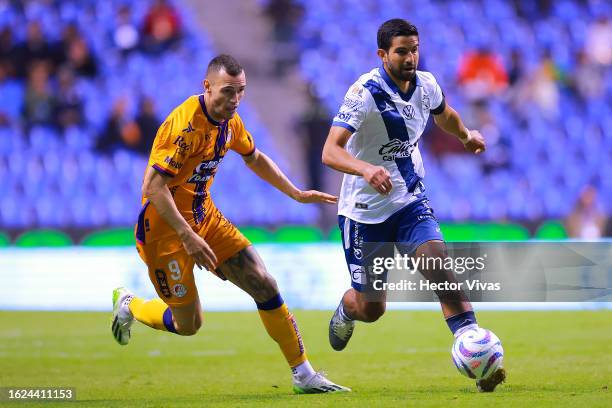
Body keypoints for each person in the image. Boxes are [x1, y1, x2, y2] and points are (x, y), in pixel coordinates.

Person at [111, 54, 350, 394]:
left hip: (205, 217)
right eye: (227, 91)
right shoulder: (184, 127)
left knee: (263, 283)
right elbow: (152, 187)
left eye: (241, 91)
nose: (235, 100)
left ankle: (304, 374)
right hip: (165, 231)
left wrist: (295, 193)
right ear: (207, 87)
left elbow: (254, 157)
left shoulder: (230, 121)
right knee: (188, 324)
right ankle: (130, 305)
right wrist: (185, 235)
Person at [321, 19, 505, 392]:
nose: (410, 57)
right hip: (364, 214)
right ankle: (347, 308)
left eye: (414, 49)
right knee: (372, 309)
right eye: (401, 51)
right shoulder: (364, 93)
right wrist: (365, 168)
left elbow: (445, 115)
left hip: (409, 200)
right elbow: (330, 150)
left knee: (437, 264)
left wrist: (466, 135)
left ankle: (477, 355)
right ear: (383, 55)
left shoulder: (427, 84)